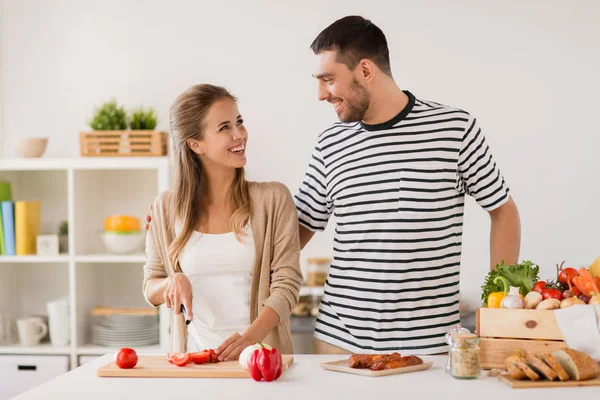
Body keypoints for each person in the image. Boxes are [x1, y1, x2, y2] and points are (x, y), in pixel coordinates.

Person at [294, 15, 521, 355]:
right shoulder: (330, 142)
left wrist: (497, 300)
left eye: (328, 79)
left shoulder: (454, 129)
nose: (320, 94)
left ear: (366, 71)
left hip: (428, 351)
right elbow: (297, 229)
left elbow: (503, 211)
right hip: (338, 346)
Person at [142, 84, 303, 361]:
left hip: (261, 361)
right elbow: (150, 286)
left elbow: (287, 285)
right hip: (195, 364)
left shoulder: (273, 199)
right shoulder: (165, 208)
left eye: (239, 122)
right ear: (196, 144)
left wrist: (248, 340)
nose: (239, 134)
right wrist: (172, 280)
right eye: (225, 127)